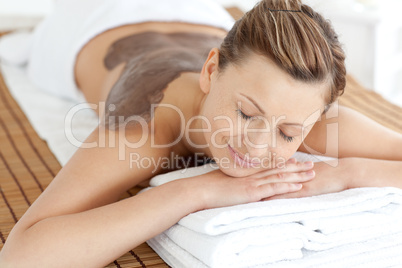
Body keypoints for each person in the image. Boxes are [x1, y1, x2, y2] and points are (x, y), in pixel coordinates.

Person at [1, 0, 401, 267]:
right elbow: (22, 256)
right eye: (246, 113)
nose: (258, 146)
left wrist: (346, 173)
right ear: (211, 71)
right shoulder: (148, 125)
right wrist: (195, 191)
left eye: (288, 133)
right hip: (88, 21)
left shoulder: (299, 103)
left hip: (200, 11)